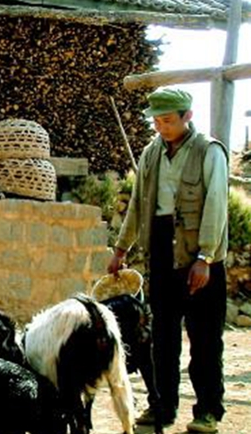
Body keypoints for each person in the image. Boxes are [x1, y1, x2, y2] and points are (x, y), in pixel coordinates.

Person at [108, 88, 228, 433]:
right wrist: (120, 248)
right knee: (162, 340)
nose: (162, 127)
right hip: (161, 254)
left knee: (205, 340)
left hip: (199, 258)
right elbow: (138, 203)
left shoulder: (210, 151)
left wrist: (205, 256)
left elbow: (217, 205)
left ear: (187, 116)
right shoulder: (151, 153)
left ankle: (207, 412)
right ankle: (162, 406)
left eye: (168, 120)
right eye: (157, 121)